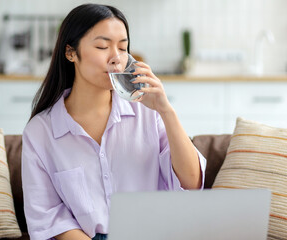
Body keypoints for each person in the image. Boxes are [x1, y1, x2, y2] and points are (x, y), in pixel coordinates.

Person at [22, 3, 206, 240]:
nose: (116, 59)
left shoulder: (147, 113)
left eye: (123, 47)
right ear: (70, 53)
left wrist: (166, 111)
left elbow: (192, 183)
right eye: (102, 46)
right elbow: (49, 217)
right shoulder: (40, 132)